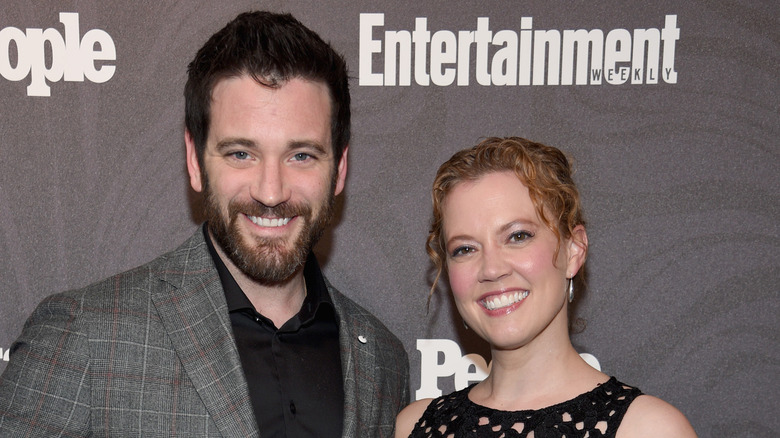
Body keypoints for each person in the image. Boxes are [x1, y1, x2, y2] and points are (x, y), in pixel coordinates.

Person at [0, 11, 409, 437]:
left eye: (301, 155)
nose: (271, 192)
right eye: (240, 154)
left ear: (339, 168)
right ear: (195, 162)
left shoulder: (382, 360)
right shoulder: (83, 335)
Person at [395, 137, 696, 437]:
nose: (491, 269)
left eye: (518, 236)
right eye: (465, 249)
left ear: (574, 250)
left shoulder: (649, 429)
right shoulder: (414, 425)